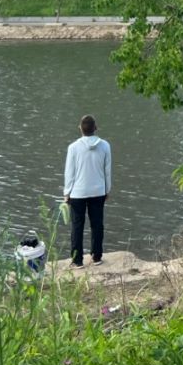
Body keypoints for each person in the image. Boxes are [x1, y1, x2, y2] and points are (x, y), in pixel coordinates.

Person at [63, 114, 112, 266]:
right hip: (98, 191)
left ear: (80, 129)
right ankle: (96, 257)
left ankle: (77, 261)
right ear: (95, 128)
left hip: (77, 193)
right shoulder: (105, 146)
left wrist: (67, 192)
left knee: (77, 226)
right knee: (97, 224)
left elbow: (69, 172)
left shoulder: (73, 147)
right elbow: (107, 170)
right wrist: (107, 190)